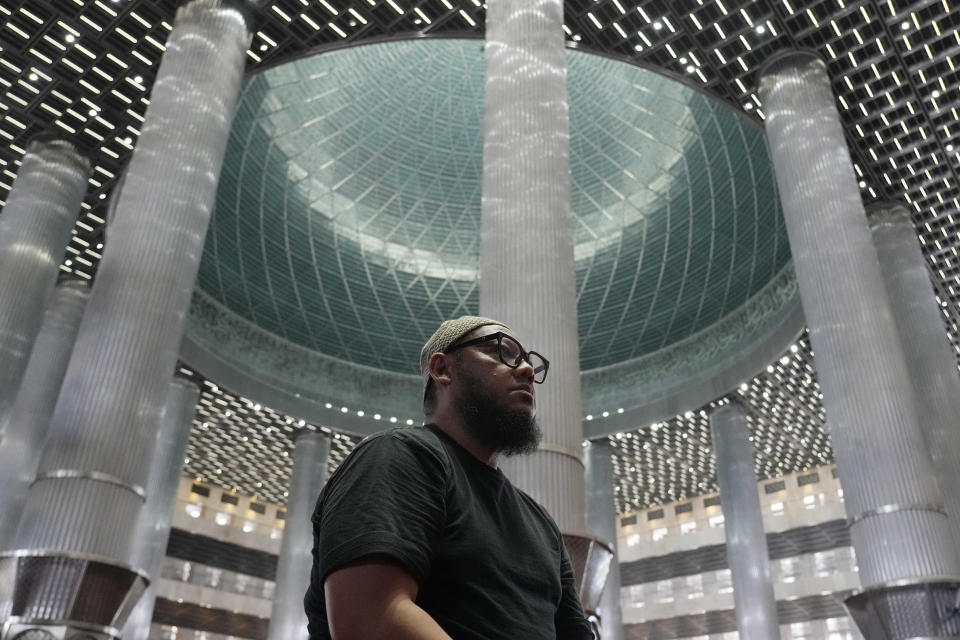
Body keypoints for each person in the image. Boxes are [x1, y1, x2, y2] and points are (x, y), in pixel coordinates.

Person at [304, 315, 594, 640]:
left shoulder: (541, 524)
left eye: (529, 362)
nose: (526, 369)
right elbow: (373, 618)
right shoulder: (400, 456)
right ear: (442, 369)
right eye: (503, 351)